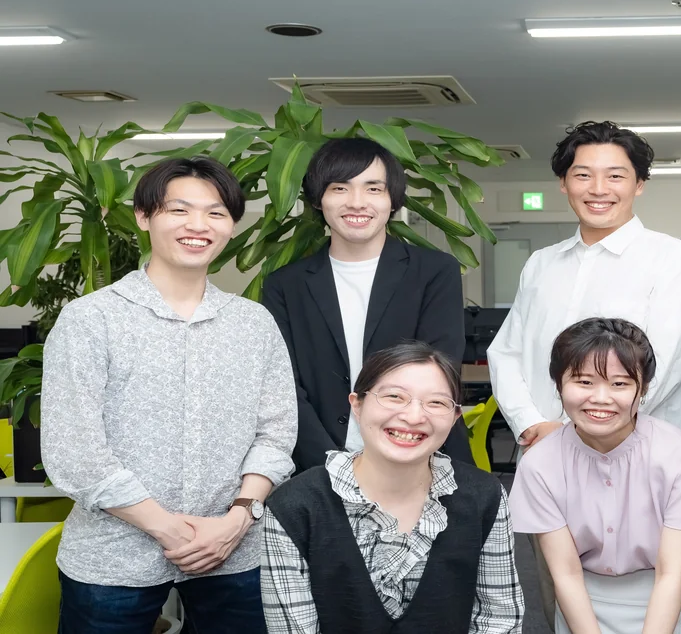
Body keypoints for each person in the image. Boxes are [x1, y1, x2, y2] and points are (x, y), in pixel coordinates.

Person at [41, 157, 298, 633]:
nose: (198, 225)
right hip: (112, 559)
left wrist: (238, 518)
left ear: (231, 226)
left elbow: (277, 432)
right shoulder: (91, 319)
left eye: (216, 213)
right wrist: (167, 527)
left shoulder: (253, 324)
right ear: (143, 216)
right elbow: (75, 450)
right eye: (179, 210)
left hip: (234, 550)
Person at [261, 341, 523, 633]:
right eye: (394, 397)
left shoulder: (484, 496)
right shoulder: (294, 506)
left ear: (454, 418)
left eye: (436, 403)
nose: (413, 417)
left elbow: (498, 619)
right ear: (357, 405)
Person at [487, 120, 681, 446]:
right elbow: (507, 353)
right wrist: (529, 423)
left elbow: (666, 368)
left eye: (615, 176)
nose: (598, 189)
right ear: (563, 183)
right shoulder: (541, 263)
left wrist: (572, 434)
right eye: (583, 175)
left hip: (636, 452)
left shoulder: (675, 260)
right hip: (541, 449)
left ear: (639, 184)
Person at [508, 318, 681, 634]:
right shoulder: (540, 464)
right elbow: (566, 575)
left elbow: (671, 574)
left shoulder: (680, 456)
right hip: (583, 605)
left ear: (644, 388)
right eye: (584, 382)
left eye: (619, 384)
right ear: (559, 384)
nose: (601, 398)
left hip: (676, 602)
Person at [262, 137, 471, 472]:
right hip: (316, 466)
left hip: (421, 457)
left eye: (373, 189)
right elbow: (284, 387)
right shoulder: (285, 284)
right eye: (339, 188)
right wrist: (330, 465)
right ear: (318, 200)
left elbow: (439, 373)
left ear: (393, 200)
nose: (357, 203)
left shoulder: (434, 272)